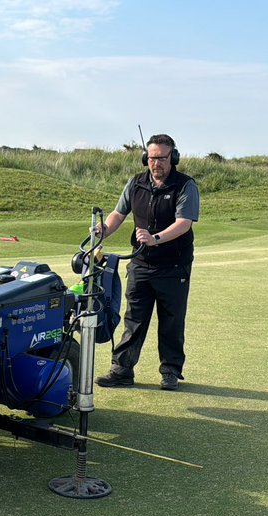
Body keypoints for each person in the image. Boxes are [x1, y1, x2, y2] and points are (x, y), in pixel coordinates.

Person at [94, 134, 199, 391]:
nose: (156, 163)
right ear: (146, 159)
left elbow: (183, 224)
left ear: (173, 158)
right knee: (133, 320)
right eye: (152, 158)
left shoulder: (185, 186)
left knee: (171, 322)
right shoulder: (136, 184)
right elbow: (119, 214)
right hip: (140, 263)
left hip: (174, 267)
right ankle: (122, 370)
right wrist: (103, 230)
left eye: (162, 158)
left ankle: (170, 372)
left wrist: (155, 238)